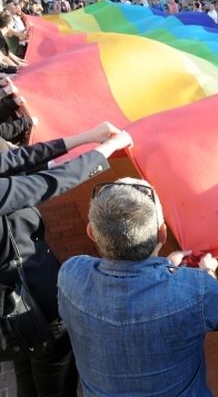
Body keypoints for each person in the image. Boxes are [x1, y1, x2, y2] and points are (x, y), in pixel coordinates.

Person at [57, 178, 218, 396]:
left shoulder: (71, 274)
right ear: (162, 233)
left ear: (91, 233)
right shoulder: (197, 290)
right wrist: (209, 272)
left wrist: (168, 266)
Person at [0, 120, 133, 397]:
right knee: (54, 380)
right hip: (30, 306)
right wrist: (105, 149)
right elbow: (43, 185)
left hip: (17, 307)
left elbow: (14, 160)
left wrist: (82, 137)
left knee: (25, 366)